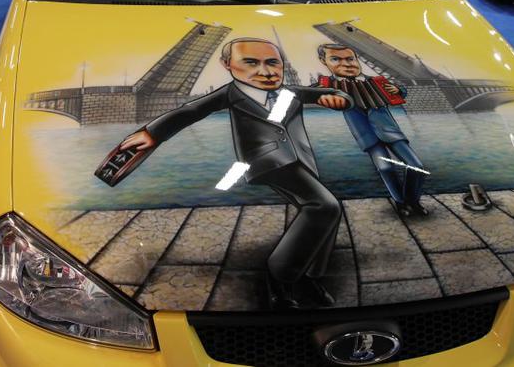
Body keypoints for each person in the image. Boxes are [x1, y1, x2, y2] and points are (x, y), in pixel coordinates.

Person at [112, 38, 353, 309]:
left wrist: (338, 99)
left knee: (324, 213)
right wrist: (153, 133)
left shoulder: (289, 92)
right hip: (267, 161)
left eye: (273, 63)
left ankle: (309, 276)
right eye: (251, 63)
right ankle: (280, 279)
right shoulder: (231, 94)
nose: (265, 72)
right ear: (227, 65)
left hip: (301, 158)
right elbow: (192, 110)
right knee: (324, 206)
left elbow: (327, 93)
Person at [315, 43, 430, 217]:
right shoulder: (328, 86)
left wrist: (398, 90)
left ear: (356, 59)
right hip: (367, 135)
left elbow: (401, 92)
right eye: (336, 59)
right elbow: (308, 93)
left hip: (391, 131)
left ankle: (412, 201)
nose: (346, 64)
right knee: (385, 169)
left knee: (416, 166)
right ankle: (400, 203)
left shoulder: (376, 82)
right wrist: (321, 96)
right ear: (323, 61)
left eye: (350, 59)